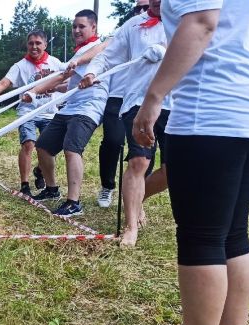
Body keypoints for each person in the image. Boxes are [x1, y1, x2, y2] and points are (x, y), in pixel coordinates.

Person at [134, 0, 249, 325]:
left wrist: (153, 97)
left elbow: (202, 21)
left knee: (201, 238)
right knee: (232, 233)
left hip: (213, 109)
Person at [80, 0, 170, 246]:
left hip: (176, 103)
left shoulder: (187, 20)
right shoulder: (133, 25)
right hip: (138, 101)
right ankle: (131, 227)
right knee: (140, 160)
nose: (156, 1)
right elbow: (108, 56)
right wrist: (92, 72)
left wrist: (167, 47)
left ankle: (137, 198)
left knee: (173, 171)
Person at [27, 9, 109, 216]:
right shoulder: (78, 52)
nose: (76, 30)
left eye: (81, 26)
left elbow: (102, 48)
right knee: (43, 146)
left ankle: (74, 203)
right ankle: (52, 190)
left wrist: (35, 91)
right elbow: (70, 83)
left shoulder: (102, 46)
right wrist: (53, 88)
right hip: (71, 106)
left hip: (90, 107)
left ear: (94, 27)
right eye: (74, 26)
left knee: (72, 147)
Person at [0, 29, 63, 197]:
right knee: (29, 144)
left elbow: (70, 77)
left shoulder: (56, 63)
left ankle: (40, 170)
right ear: (27, 45)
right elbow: (3, 83)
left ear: (45, 44)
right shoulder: (20, 66)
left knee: (49, 150)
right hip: (27, 112)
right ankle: (25, 185)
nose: (34, 47)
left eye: (38, 43)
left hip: (49, 113)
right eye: (31, 43)